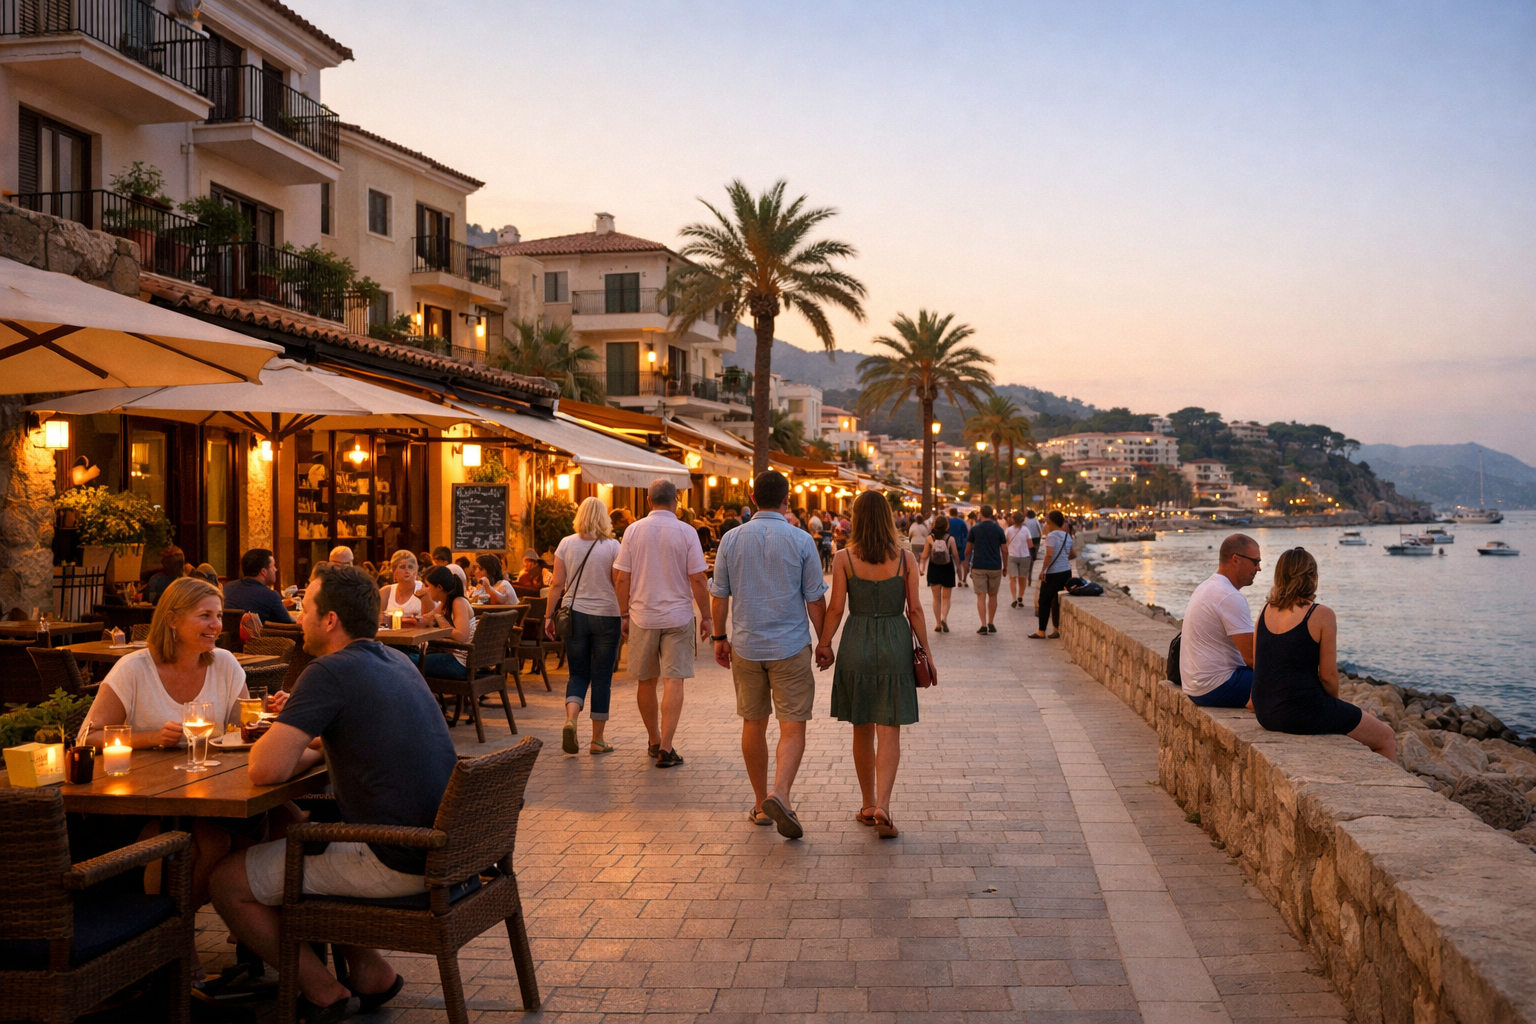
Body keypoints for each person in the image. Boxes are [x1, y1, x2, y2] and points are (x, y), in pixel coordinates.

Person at [209, 564, 457, 1020]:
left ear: (330, 621)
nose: (298, 616)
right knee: (292, 824)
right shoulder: (394, 659)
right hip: (444, 850)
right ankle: (369, 972)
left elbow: (266, 769)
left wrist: (290, 735)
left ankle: (322, 989)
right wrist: (308, 740)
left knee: (226, 881)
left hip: (396, 855)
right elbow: (346, 739)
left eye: (305, 608)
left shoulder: (329, 671)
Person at [78, 577, 260, 915]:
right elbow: (88, 737)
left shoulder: (225, 665)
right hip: (139, 800)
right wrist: (151, 738)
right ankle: (176, 942)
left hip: (210, 796)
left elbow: (243, 730)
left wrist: (267, 715)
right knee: (200, 844)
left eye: (218, 616)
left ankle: (175, 939)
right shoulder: (133, 669)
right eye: (205, 616)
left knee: (235, 838)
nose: (216, 625)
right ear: (172, 619)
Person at [709, 471, 828, 838]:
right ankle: (782, 792)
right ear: (786, 499)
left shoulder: (730, 539)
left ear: (752, 496)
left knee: (753, 723)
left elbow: (719, 595)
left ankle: (762, 804)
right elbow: (814, 598)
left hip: (745, 645)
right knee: (792, 725)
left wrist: (719, 637)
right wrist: (823, 641)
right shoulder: (802, 540)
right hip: (790, 646)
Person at [815, 490, 930, 838]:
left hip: (856, 641)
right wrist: (926, 651)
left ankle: (867, 805)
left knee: (861, 726)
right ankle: (884, 803)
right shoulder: (905, 559)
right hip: (895, 641)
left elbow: (835, 608)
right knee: (889, 728)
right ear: (888, 517)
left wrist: (824, 643)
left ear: (857, 518)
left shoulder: (843, 558)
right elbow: (916, 610)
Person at [1253, 548, 1396, 760]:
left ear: (1279, 576)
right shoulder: (1321, 614)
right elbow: (1328, 675)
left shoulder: (1264, 611)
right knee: (1386, 736)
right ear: (1312, 576)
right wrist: (1336, 707)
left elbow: (1259, 665)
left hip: (1265, 713)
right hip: (1299, 713)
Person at [614, 479, 712, 768]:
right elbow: (697, 578)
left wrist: (623, 615)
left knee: (646, 680)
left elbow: (621, 577)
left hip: (642, 616)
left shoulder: (632, 531)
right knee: (674, 679)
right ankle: (667, 748)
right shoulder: (687, 532)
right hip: (678, 617)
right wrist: (706, 616)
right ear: (676, 501)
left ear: (648, 501)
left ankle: (654, 739)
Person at [547, 497, 623, 755]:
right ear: (605, 518)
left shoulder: (566, 543)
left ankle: (571, 720)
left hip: (574, 615)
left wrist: (548, 616)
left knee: (578, 673)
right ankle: (597, 740)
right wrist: (625, 614)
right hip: (606, 615)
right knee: (602, 678)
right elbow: (618, 582)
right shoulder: (613, 546)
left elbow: (557, 584)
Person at [1179, 534, 1261, 707]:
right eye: (1255, 561)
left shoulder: (1207, 586)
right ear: (1236, 559)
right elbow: (1253, 658)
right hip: (1216, 687)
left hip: (1196, 687)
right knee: (1288, 679)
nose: (1259, 568)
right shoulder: (1229, 596)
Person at [416, 565, 476, 679]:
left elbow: (462, 636)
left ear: (439, 587)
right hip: (453, 657)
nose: (424, 589)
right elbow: (427, 618)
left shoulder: (458, 602)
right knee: (408, 659)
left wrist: (440, 619)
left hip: (461, 664)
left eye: (427, 586)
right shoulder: (446, 602)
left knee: (410, 663)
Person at [1028, 510, 1074, 639]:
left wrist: (1043, 570)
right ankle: (1056, 629)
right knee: (1056, 602)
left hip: (1053, 573)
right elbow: (1070, 554)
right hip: (1066, 572)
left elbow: (1049, 554)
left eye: (1047, 519)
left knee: (1044, 601)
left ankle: (1041, 631)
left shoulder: (1052, 536)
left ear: (1051, 521)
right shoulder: (1068, 536)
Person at [966, 504, 1009, 634]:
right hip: (995, 566)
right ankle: (991, 622)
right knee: (993, 595)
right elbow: (1004, 549)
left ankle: (983, 624)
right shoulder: (999, 529)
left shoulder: (975, 529)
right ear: (992, 514)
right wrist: (1005, 566)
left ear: (980, 514)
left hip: (979, 565)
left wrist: (967, 564)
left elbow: (968, 549)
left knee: (981, 596)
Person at [223, 548, 295, 626]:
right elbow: (290, 626)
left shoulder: (227, 588)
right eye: (273, 566)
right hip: (258, 638)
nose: (276, 569)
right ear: (264, 571)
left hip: (226, 637)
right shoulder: (270, 595)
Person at [922, 515, 958, 632]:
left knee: (936, 598)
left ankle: (938, 623)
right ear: (946, 525)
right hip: (948, 569)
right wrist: (959, 567)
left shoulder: (929, 538)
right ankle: (944, 618)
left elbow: (924, 555)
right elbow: (956, 555)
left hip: (934, 569)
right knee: (946, 598)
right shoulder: (950, 538)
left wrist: (921, 567)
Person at [379, 549, 433, 626]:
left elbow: (430, 622)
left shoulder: (423, 589)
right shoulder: (385, 592)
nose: (407, 570)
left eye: (410, 567)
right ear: (394, 572)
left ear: (415, 571)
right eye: (402, 567)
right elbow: (376, 620)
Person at [1006, 512, 1033, 608]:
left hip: (1012, 556)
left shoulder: (1008, 530)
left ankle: (1014, 598)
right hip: (1025, 556)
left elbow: (1005, 544)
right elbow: (1030, 544)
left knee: (1012, 579)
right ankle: (1020, 597)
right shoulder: (1026, 530)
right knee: (1023, 579)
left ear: (1013, 519)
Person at [946, 509, 969, 587]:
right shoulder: (962, 522)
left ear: (950, 513)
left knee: (957, 562)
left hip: (952, 543)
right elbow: (966, 534)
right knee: (964, 562)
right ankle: (965, 580)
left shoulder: (948, 522)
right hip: (962, 543)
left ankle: (959, 580)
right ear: (957, 513)